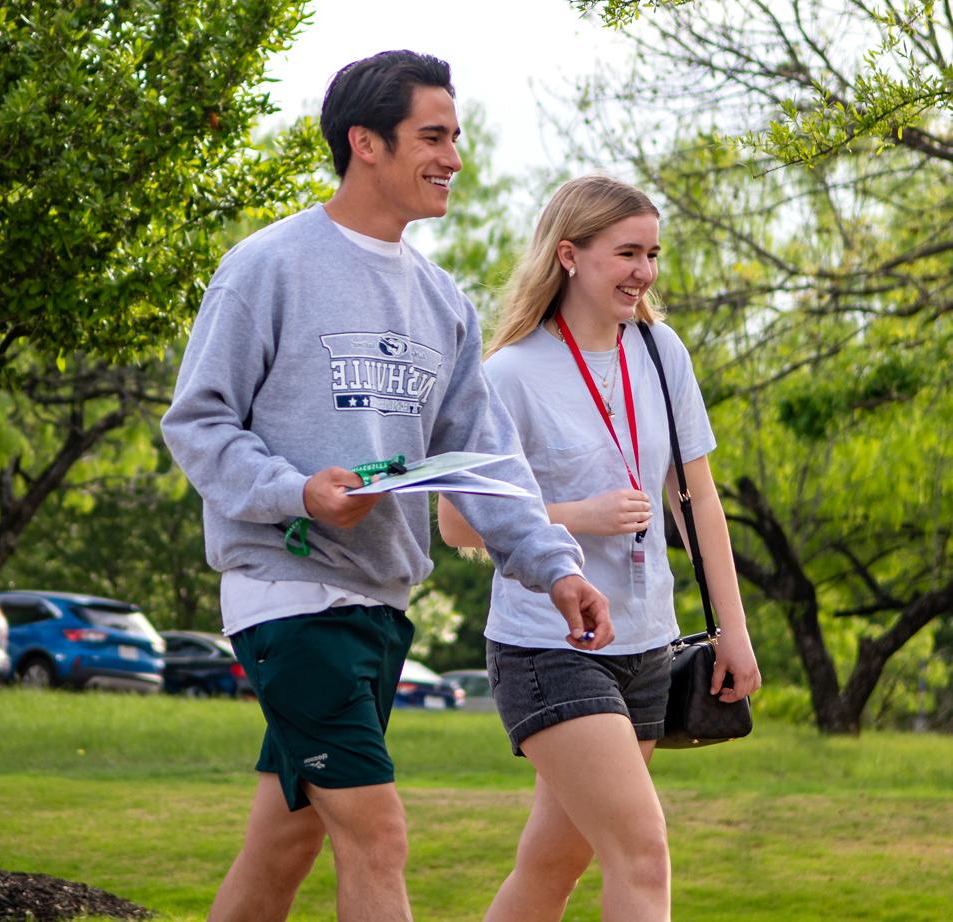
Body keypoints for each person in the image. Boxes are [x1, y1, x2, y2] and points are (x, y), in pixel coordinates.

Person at [160, 52, 614, 922]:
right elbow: (198, 424)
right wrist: (299, 492)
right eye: (432, 136)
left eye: (457, 136)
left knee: (283, 843)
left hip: (380, 602)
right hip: (290, 594)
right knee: (377, 835)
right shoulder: (268, 267)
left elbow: (487, 459)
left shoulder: (442, 300)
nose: (453, 157)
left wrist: (556, 568)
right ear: (365, 143)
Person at [438, 175, 762, 922]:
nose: (645, 271)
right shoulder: (509, 375)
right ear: (569, 256)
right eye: (627, 253)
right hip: (547, 647)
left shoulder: (659, 350)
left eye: (653, 253)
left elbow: (697, 498)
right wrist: (579, 514)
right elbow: (458, 525)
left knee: (553, 865)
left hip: (648, 644)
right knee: (641, 853)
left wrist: (733, 632)